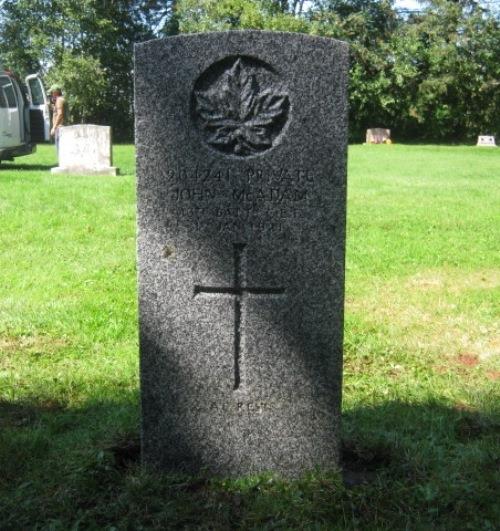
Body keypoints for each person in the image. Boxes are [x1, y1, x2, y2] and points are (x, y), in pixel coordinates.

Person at [49, 84, 65, 154]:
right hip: (62, 128)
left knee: (60, 152)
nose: (51, 94)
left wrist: (54, 127)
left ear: (56, 92)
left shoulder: (59, 100)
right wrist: (52, 107)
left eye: (52, 92)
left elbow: (60, 114)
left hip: (59, 129)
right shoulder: (61, 100)